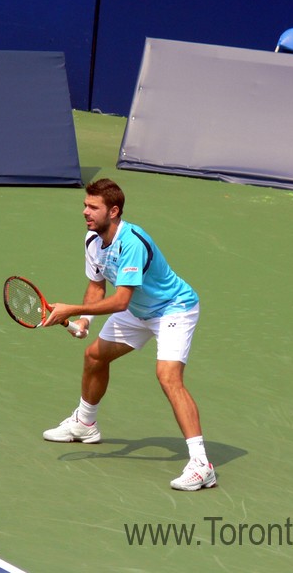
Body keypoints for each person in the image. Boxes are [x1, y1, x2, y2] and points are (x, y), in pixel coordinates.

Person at [42, 178, 216, 491]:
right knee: (95, 355)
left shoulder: (132, 242)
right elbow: (97, 286)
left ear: (114, 211)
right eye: (85, 205)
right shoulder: (92, 240)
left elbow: (120, 300)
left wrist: (69, 309)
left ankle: (202, 465)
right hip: (138, 310)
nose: (85, 212)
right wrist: (82, 320)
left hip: (173, 309)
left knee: (168, 376)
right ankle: (85, 424)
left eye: (93, 207)